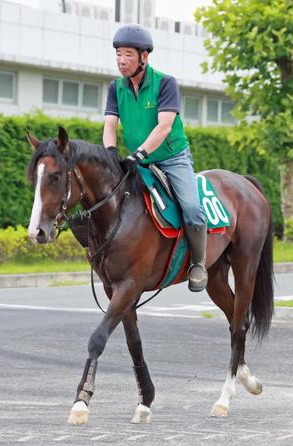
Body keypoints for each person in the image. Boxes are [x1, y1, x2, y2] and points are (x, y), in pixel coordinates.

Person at [103, 23, 207, 292]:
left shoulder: (165, 83)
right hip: (138, 160)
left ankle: (198, 263)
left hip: (172, 158)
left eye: (127, 54)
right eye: (118, 54)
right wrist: (111, 153)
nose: (121, 61)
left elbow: (164, 126)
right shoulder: (116, 88)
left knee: (193, 210)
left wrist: (138, 154)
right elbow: (110, 126)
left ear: (144, 57)